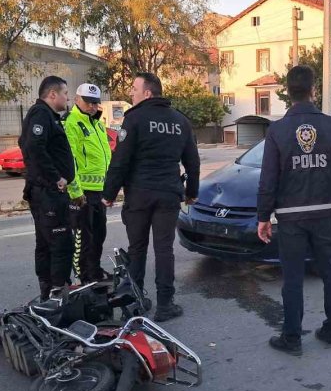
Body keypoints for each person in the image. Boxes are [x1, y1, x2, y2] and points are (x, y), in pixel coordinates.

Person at [257, 65, 331, 356]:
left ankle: (292, 338)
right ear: (313, 90)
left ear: (288, 93)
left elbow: (268, 180)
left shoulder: (277, 130)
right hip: (326, 213)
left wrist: (263, 217)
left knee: (292, 278)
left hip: (290, 217)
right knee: (330, 271)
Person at [102, 73, 200, 322]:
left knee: (138, 248)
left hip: (139, 194)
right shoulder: (181, 121)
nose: (130, 93)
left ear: (148, 93)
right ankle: (166, 304)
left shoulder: (134, 119)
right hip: (168, 194)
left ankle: (136, 302)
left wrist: (109, 194)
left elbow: (120, 160)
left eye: (134, 89)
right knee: (164, 249)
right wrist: (192, 193)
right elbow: (193, 162)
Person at [19, 76, 78, 300]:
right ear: (52, 94)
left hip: (44, 192)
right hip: (49, 194)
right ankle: (57, 291)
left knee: (45, 243)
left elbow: (24, 143)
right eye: (64, 93)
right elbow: (33, 147)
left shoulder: (47, 117)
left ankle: (48, 291)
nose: (67, 97)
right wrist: (55, 178)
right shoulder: (41, 114)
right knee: (61, 243)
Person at [64, 83, 112, 284]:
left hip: (99, 192)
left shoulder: (97, 124)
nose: (92, 106)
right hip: (82, 192)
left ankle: (94, 270)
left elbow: (105, 156)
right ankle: (84, 278)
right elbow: (69, 159)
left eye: (95, 102)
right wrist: (75, 191)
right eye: (88, 101)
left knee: (99, 235)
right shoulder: (71, 123)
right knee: (83, 239)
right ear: (77, 100)